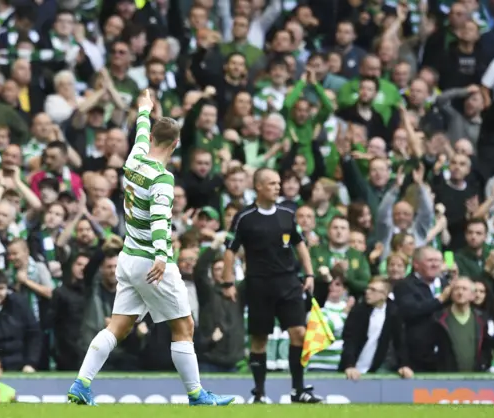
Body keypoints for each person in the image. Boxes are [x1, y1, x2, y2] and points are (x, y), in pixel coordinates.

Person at [67, 90, 234, 406]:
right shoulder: (162, 177)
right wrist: (161, 254)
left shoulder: (134, 159)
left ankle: (81, 382)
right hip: (150, 260)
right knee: (184, 326)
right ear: (176, 144)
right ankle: (197, 394)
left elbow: (141, 133)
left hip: (128, 258)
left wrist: (143, 109)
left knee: (119, 325)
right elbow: (160, 220)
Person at [222, 167, 321, 403]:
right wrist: (228, 282)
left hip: (288, 282)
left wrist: (309, 275)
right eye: (272, 184)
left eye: (278, 183)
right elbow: (230, 251)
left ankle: (298, 390)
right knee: (260, 338)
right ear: (258, 187)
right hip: (259, 285)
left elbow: (300, 245)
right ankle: (259, 392)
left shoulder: (288, 214)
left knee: (299, 333)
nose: (277, 187)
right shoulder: (244, 217)